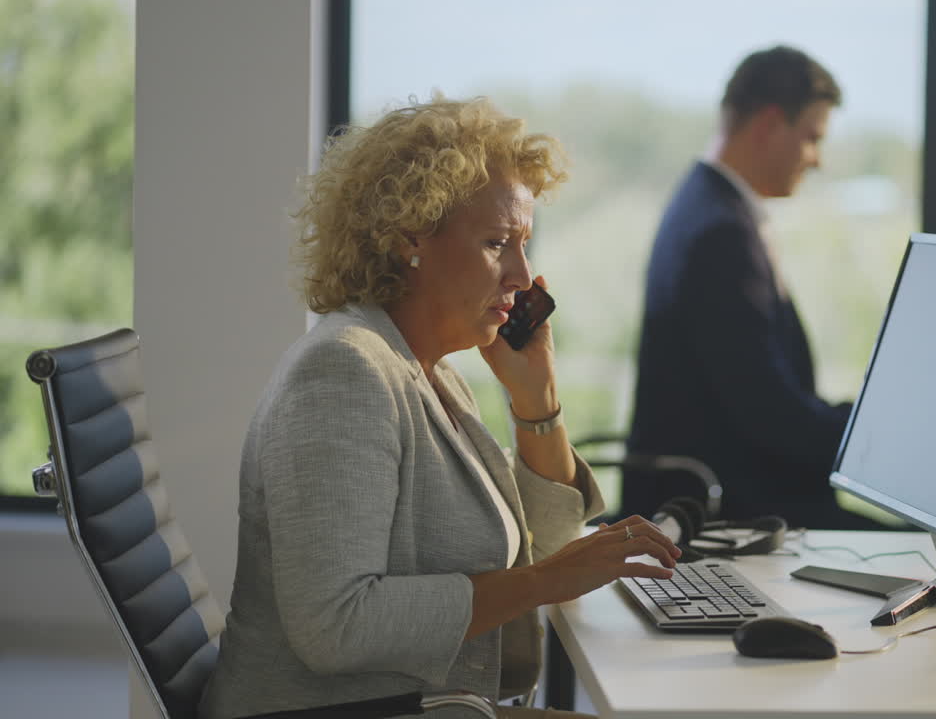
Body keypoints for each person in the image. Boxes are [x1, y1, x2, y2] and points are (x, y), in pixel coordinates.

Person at [198, 96, 680, 719]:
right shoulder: (343, 373)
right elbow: (334, 627)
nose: (523, 275)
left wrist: (536, 397)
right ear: (410, 239)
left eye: (523, 244)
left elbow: (545, 543)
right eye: (496, 243)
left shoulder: (433, 371)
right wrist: (545, 582)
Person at [625, 46, 872, 530]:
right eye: (811, 139)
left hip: (728, 487)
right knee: (924, 557)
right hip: (724, 507)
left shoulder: (704, 204)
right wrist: (872, 436)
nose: (817, 160)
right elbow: (769, 413)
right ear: (769, 125)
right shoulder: (722, 233)